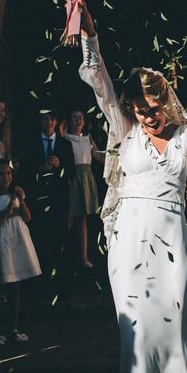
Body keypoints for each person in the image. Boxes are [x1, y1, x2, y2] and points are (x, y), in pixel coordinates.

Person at [76, 0, 187, 373]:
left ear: (166, 100)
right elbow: (100, 82)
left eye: (155, 107)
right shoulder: (125, 130)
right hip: (129, 239)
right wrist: (89, 33)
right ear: (131, 108)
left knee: (171, 324)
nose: (150, 117)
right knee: (136, 331)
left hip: (171, 240)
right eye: (141, 109)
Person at [0, 159, 41, 345]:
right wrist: (8, 210)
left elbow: (28, 217)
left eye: (8, 173)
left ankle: (13, 328)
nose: (6, 177)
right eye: (1, 174)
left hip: (18, 240)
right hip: (1, 242)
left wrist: (20, 200)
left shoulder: (14, 195)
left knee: (15, 286)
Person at [21, 109, 75, 279]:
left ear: (56, 122)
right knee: (40, 236)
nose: (49, 122)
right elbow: (24, 171)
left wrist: (60, 167)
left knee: (60, 235)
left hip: (59, 198)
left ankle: (61, 275)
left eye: (52, 119)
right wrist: (40, 168)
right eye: (45, 119)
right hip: (38, 198)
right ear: (40, 122)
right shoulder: (31, 143)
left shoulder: (65, 144)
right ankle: (41, 276)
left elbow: (72, 173)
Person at [64, 109, 104, 268]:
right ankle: (64, 254)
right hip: (73, 178)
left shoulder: (88, 139)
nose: (78, 120)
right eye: (74, 117)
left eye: (80, 117)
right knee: (68, 217)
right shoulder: (65, 138)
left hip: (86, 178)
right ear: (69, 120)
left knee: (82, 219)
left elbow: (99, 157)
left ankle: (83, 257)